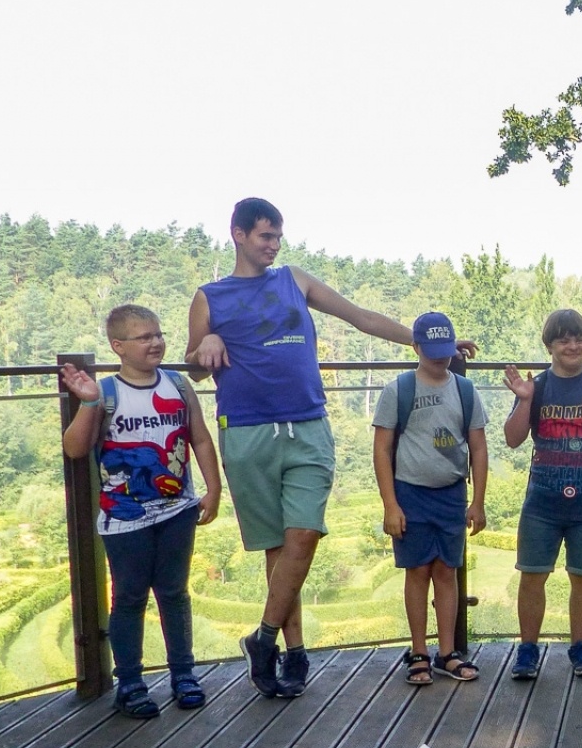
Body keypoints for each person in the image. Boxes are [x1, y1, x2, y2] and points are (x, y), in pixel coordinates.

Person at [186, 197, 471, 699]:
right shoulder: (209, 298)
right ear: (237, 235)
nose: (273, 245)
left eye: (277, 236)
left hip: (308, 425)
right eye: (264, 236)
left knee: (304, 534)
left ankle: (263, 638)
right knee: (277, 546)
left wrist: (428, 343)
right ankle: (291, 654)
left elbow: (362, 318)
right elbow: (194, 364)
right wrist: (203, 345)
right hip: (247, 429)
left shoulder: (294, 279)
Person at [61, 304, 222, 718]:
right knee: (129, 597)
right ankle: (129, 682)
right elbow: (76, 448)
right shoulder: (108, 393)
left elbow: (200, 439)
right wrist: (89, 403)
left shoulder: (178, 385)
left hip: (176, 511)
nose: (156, 342)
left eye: (158, 334)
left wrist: (214, 488)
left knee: (173, 592)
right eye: (144, 337)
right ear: (118, 346)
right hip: (123, 518)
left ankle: (183, 673)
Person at [502, 308, 582, 681]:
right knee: (532, 576)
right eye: (564, 340)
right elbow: (512, 439)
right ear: (550, 346)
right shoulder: (536, 387)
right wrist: (525, 400)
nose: (573, 346)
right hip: (541, 502)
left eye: (579, 339)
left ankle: (580, 646)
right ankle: (527, 649)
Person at [373, 312, 488, 686]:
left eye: (446, 351)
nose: (440, 358)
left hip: (452, 493)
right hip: (410, 493)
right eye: (432, 350)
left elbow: (479, 447)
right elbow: (382, 447)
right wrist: (391, 505)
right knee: (417, 571)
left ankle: (447, 652)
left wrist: (478, 501)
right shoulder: (399, 390)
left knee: (447, 571)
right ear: (416, 347)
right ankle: (419, 650)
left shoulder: (465, 390)